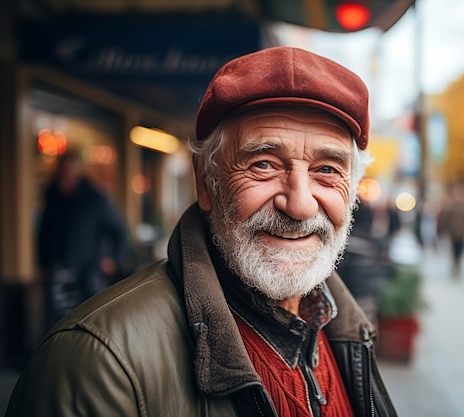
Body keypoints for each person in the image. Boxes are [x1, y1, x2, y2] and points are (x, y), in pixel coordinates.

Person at [7, 46, 398, 417]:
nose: (299, 205)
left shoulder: (347, 331)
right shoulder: (97, 360)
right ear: (206, 183)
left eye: (327, 170)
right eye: (263, 164)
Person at [36, 150, 133, 330]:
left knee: (85, 325)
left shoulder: (94, 199)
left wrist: (113, 259)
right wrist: (42, 265)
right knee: (55, 327)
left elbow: (119, 230)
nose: (66, 175)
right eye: (63, 170)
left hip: (87, 276)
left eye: (70, 170)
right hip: (56, 274)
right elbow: (43, 234)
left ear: (78, 172)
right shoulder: (52, 197)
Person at [438, 184, 464, 278]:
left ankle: (458, 265)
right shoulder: (451, 206)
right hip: (453, 233)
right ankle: (455, 265)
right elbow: (445, 219)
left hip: (462, 234)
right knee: (454, 250)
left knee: (461, 250)